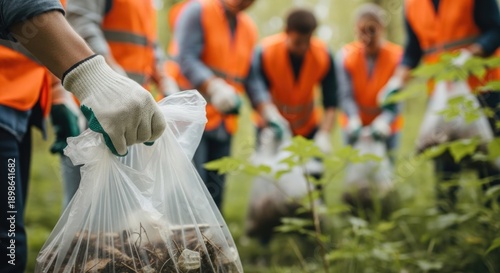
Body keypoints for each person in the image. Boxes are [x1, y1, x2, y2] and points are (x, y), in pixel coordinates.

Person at [0, 1, 165, 271]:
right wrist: (96, 78)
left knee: (11, 232)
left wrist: (57, 96)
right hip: (6, 98)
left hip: (22, 102)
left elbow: (42, 29)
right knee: (7, 243)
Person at [378, 0, 500, 210]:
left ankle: (493, 222)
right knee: (444, 161)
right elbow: (413, 50)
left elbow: (495, 30)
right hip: (441, 96)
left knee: (488, 158)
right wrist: (397, 81)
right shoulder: (413, 4)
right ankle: (447, 221)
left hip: (484, 89)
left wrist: (471, 54)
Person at [175, 0, 258, 210]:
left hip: (225, 122)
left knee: (215, 192)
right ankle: (185, 241)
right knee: (191, 189)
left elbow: (250, 77)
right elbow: (186, 58)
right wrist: (214, 86)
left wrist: (268, 111)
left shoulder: (248, 28)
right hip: (193, 117)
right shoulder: (198, 11)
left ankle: (213, 241)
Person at [246, 8, 337, 154]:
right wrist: (269, 116)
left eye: (307, 41)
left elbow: (331, 100)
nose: (303, 47)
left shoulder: (323, 55)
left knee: (310, 174)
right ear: (287, 31)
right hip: (272, 126)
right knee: (271, 174)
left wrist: (324, 133)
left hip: (308, 129)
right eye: (298, 42)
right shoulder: (266, 52)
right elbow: (255, 88)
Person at [336, 3, 403, 157]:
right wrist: (353, 117)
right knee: (356, 174)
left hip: (387, 129)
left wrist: (385, 120)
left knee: (385, 176)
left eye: (372, 31)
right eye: (361, 31)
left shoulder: (397, 57)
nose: (366, 37)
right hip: (353, 129)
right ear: (355, 30)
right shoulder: (346, 56)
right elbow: (345, 94)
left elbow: (398, 96)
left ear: (382, 28)